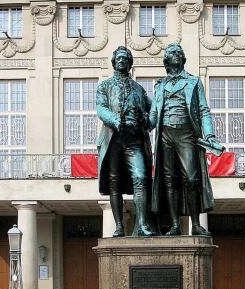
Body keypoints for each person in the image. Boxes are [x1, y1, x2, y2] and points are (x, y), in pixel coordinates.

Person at [149, 43, 221, 236]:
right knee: (169, 180)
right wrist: (139, 124)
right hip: (165, 135)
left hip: (186, 134)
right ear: (166, 60)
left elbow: (204, 110)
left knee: (191, 178)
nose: (178, 55)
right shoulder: (160, 85)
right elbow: (154, 115)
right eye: (173, 53)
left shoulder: (193, 82)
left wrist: (209, 135)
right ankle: (174, 224)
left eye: (180, 53)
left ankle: (195, 224)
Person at [95, 46, 155, 237]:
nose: (122, 60)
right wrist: (116, 120)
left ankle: (143, 225)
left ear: (129, 63)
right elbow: (101, 108)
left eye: (125, 58)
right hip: (113, 138)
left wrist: (147, 121)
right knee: (114, 183)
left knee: (141, 178)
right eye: (118, 58)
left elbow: (153, 111)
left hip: (134, 139)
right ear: (114, 62)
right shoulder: (104, 86)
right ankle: (119, 226)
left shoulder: (138, 89)